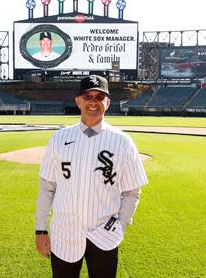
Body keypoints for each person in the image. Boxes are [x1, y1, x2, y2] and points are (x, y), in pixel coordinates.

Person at [35, 75, 148, 278]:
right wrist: (40, 230)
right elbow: (47, 186)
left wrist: (120, 225)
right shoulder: (59, 139)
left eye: (99, 96)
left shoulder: (123, 142)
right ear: (78, 101)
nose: (93, 101)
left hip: (105, 236)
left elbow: (132, 191)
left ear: (108, 102)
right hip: (64, 234)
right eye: (88, 95)